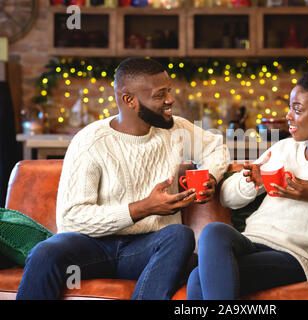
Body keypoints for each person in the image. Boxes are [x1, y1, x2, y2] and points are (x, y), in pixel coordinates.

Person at [16, 57, 230, 300]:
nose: (170, 100)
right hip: (93, 248)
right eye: (160, 95)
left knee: (179, 236)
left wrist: (209, 176)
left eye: (168, 91)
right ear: (129, 100)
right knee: (45, 252)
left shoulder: (176, 129)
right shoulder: (91, 141)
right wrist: (143, 208)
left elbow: (216, 148)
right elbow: (70, 219)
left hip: (147, 249)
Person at [187, 60, 308, 300]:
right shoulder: (283, 148)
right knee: (214, 232)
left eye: (297, 109)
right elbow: (227, 198)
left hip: (292, 257)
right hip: (250, 243)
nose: (288, 116)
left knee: (197, 278)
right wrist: (254, 183)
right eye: (290, 107)